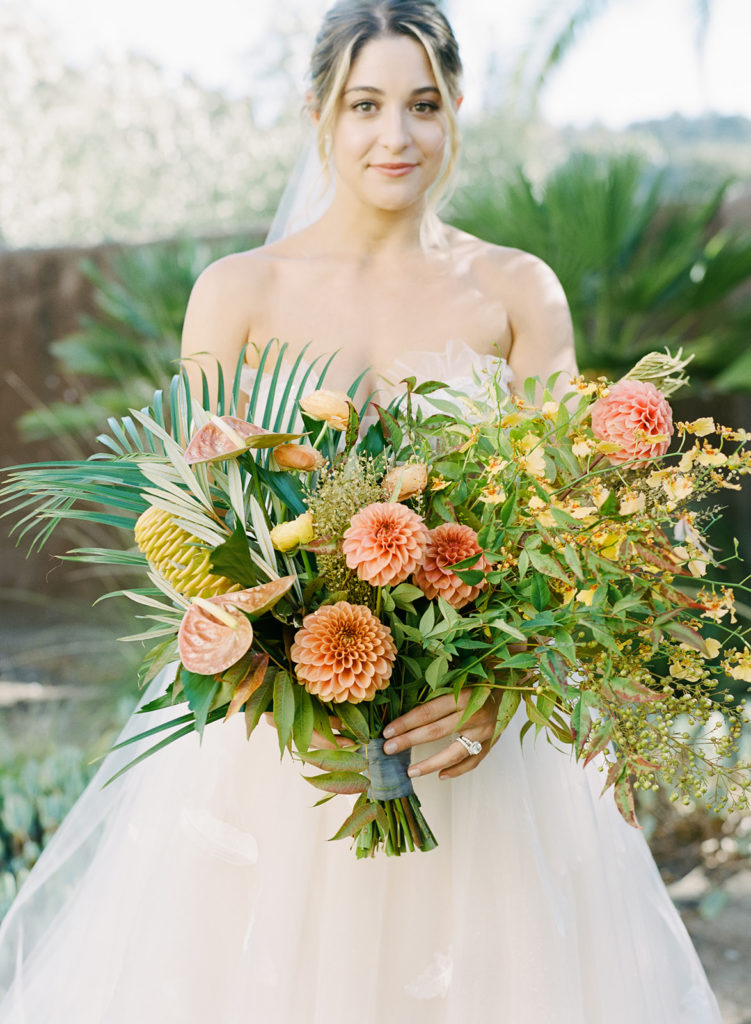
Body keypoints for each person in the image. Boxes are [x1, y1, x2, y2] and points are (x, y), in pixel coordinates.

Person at [0, 2, 723, 1021]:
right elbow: (194, 516)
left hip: (474, 733)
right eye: (366, 104)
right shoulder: (238, 290)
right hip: (277, 736)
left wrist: (498, 691)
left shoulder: (517, 289)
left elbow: (570, 526)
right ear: (319, 115)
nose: (397, 136)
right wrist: (275, 667)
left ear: (457, 110)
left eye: (423, 104)